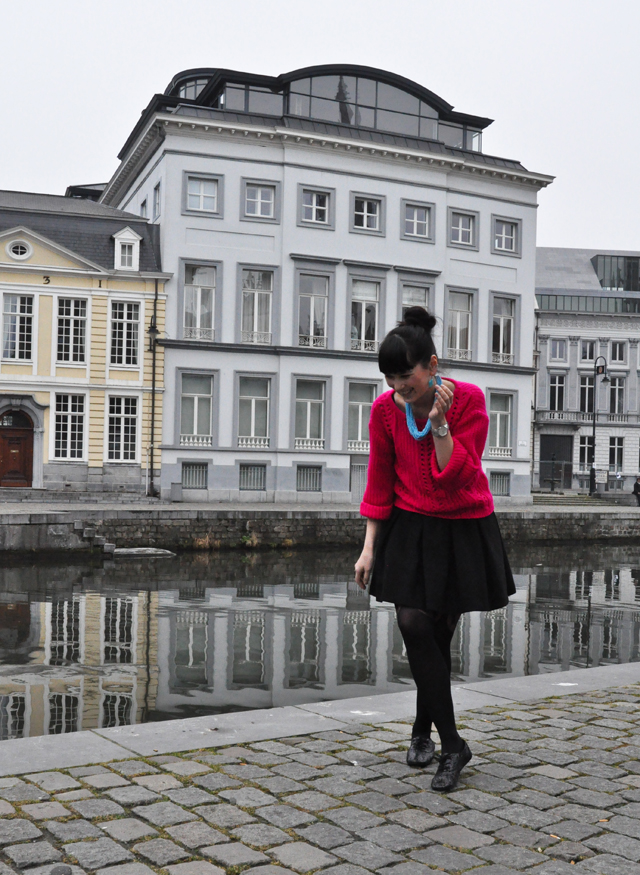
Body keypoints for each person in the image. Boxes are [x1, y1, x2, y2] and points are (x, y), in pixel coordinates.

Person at [354, 307, 515, 792]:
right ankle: (453, 745)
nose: (397, 387)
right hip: (411, 526)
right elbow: (380, 482)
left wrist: (440, 423)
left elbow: (456, 477)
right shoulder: (385, 411)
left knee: (437, 637)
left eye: (405, 377)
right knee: (412, 623)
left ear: (432, 366)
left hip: (463, 527)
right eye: (389, 379)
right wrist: (368, 549)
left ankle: (421, 731)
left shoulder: (470, 401)